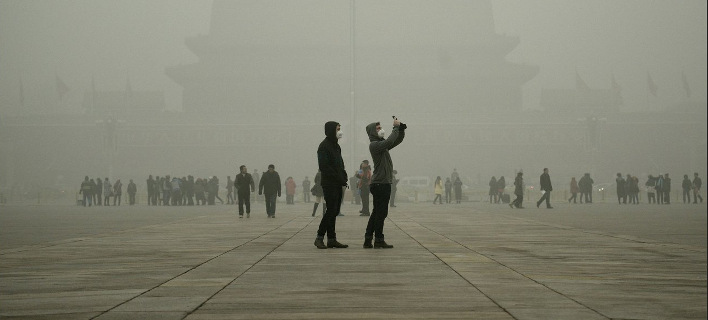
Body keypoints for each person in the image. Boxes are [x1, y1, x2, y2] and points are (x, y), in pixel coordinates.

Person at [363, 118, 405, 249]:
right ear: (372, 132)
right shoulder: (375, 145)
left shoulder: (382, 145)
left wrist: (401, 130)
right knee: (381, 213)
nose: (380, 129)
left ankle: (368, 239)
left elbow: (396, 141)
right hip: (381, 183)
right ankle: (379, 240)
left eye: (380, 127)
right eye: (377, 128)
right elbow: (390, 140)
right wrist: (395, 128)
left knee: (377, 213)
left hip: (382, 183)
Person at [314, 121, 348, 249]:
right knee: (331, 210)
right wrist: (338, 176)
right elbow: (324, 166)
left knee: (335, 211)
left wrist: (343, 175)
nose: (340, 131)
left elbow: (340, 163)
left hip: (338, 182)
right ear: (330, 130)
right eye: (337, 129)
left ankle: (332, 239)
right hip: (329, 183)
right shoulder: (324, 146)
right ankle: (319, 237)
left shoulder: (336, 146)